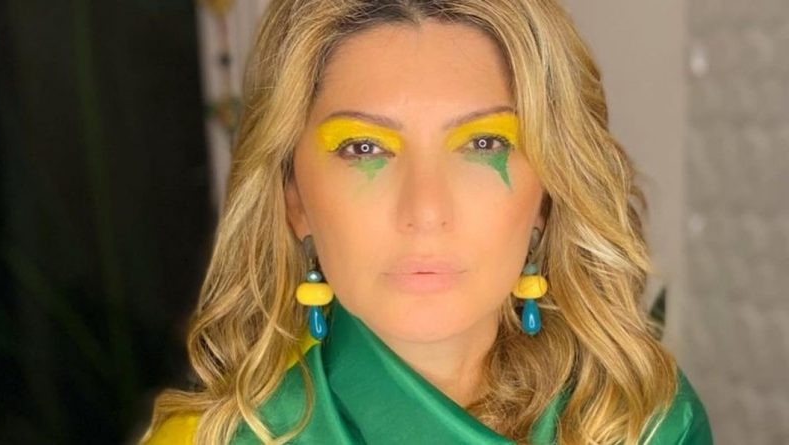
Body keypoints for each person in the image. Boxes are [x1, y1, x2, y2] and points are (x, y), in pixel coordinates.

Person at [140, 0, 713, 444]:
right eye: (364, 148)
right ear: (295, 200)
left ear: (546, 194)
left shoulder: (645, 426)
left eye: (483, 143)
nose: (426, 211)